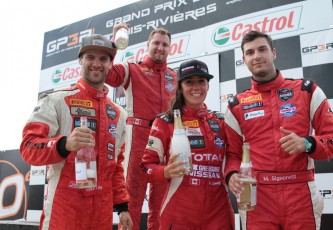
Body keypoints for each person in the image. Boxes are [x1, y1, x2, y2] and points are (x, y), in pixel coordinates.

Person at [224, 30, 333, 230]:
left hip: (300, 194)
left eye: (262, 49)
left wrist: (307, 143)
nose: (257, 56)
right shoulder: (236, 104)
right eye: (250, 52)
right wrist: (231, 175)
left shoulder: (307, 90)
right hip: (256, 197)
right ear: (244, 59)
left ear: (273, 53)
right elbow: (232, 154)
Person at [20, 34, 132, 230]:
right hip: (65, 208)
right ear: (80, 60)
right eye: (90, 57)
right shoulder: (56, 101)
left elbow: (115, 166)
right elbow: (28, 147)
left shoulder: (119, 114)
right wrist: (63, 145)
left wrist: (122, 206)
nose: (96, 64)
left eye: (103, 59)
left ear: (110, 64)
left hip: (102, 213)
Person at [140, 59, 235, 230]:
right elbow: (146, 167)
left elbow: (235, 157)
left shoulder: (221, 121)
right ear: (180, 87)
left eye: (201, 81)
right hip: (179, 213)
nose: (196, 87)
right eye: (189, 82)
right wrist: (165, 172)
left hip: (219, 213)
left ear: (208, 85)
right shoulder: (165, 121)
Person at [105, 23, 177, 230]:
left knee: (161, 202)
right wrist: (113, 43)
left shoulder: (174, 76)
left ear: (170, 48)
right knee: (132, 199)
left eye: (165, 44)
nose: (160, 48)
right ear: (148, 45)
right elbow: (108, 75)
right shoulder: (132, 68)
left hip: (165, 142)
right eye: (156, 43)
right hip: (137, 138)